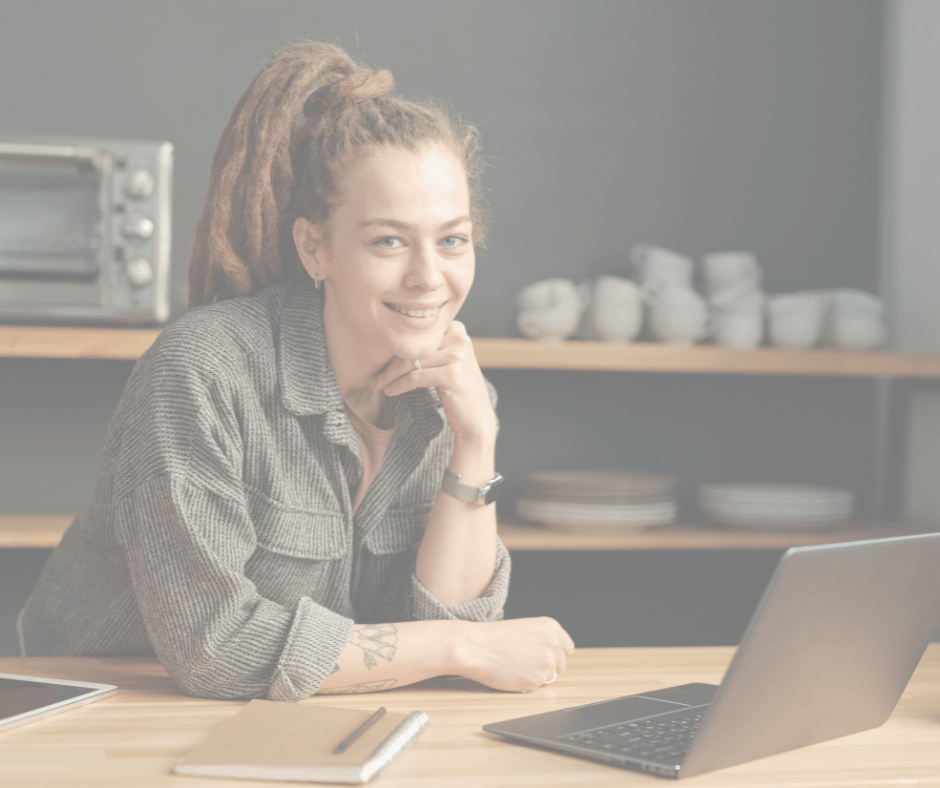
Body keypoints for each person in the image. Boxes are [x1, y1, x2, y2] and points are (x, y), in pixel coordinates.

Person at [18, 41, 574, 700]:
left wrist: (476, 441)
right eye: (388, 241)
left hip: (296, 711)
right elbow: (215, 647)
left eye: (451, 240)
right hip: (95, 707)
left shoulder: (454, 395)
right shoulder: (203, 371)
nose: (429, 277)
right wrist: (457, 646)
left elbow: (449, 628)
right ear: (315, 247)